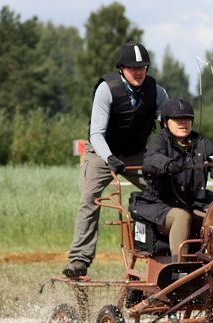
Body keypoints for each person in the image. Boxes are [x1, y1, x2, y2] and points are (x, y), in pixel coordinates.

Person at [63, 41, 169, 277]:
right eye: (133, 67)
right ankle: (79, 260)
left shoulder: (157, 92)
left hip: (137, 153)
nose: (139, 72)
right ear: (121, 68)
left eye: (143, 67)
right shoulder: (106, 89)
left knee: (166, 191)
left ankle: (166, 254)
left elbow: (167, 129)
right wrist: (109, 158)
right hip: (101, 152)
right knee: (89, 197)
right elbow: (96, 134)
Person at [129, 97, 213, 261]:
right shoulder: (159, 140)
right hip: (161, 207)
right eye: (177, 119)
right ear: (166, 122)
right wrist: (167, 165)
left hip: (195, 203)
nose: (183, 122)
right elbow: (151, 160)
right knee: (182, 216)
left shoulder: (202, 142)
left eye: (187, 118)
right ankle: (179, 266)